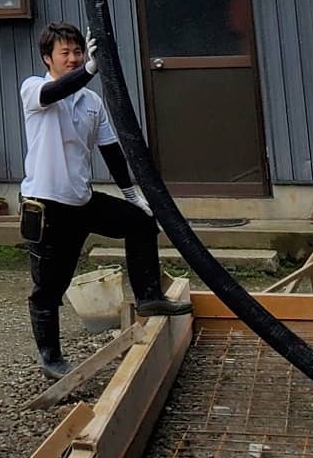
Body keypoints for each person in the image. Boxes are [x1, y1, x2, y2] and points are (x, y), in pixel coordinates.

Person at [20, 21, 192, 381]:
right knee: (49, 287)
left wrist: (131, 193)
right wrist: (90, 70)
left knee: (140, 221)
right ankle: (50, 358)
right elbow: (60, 89)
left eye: (78, 51)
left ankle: (148, 295)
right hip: (46, 204)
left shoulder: (91, 101)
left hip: (81, 201)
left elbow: (111, 149)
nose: (72, 58)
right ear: (46, 58)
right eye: (64, 53)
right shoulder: (35, 89)